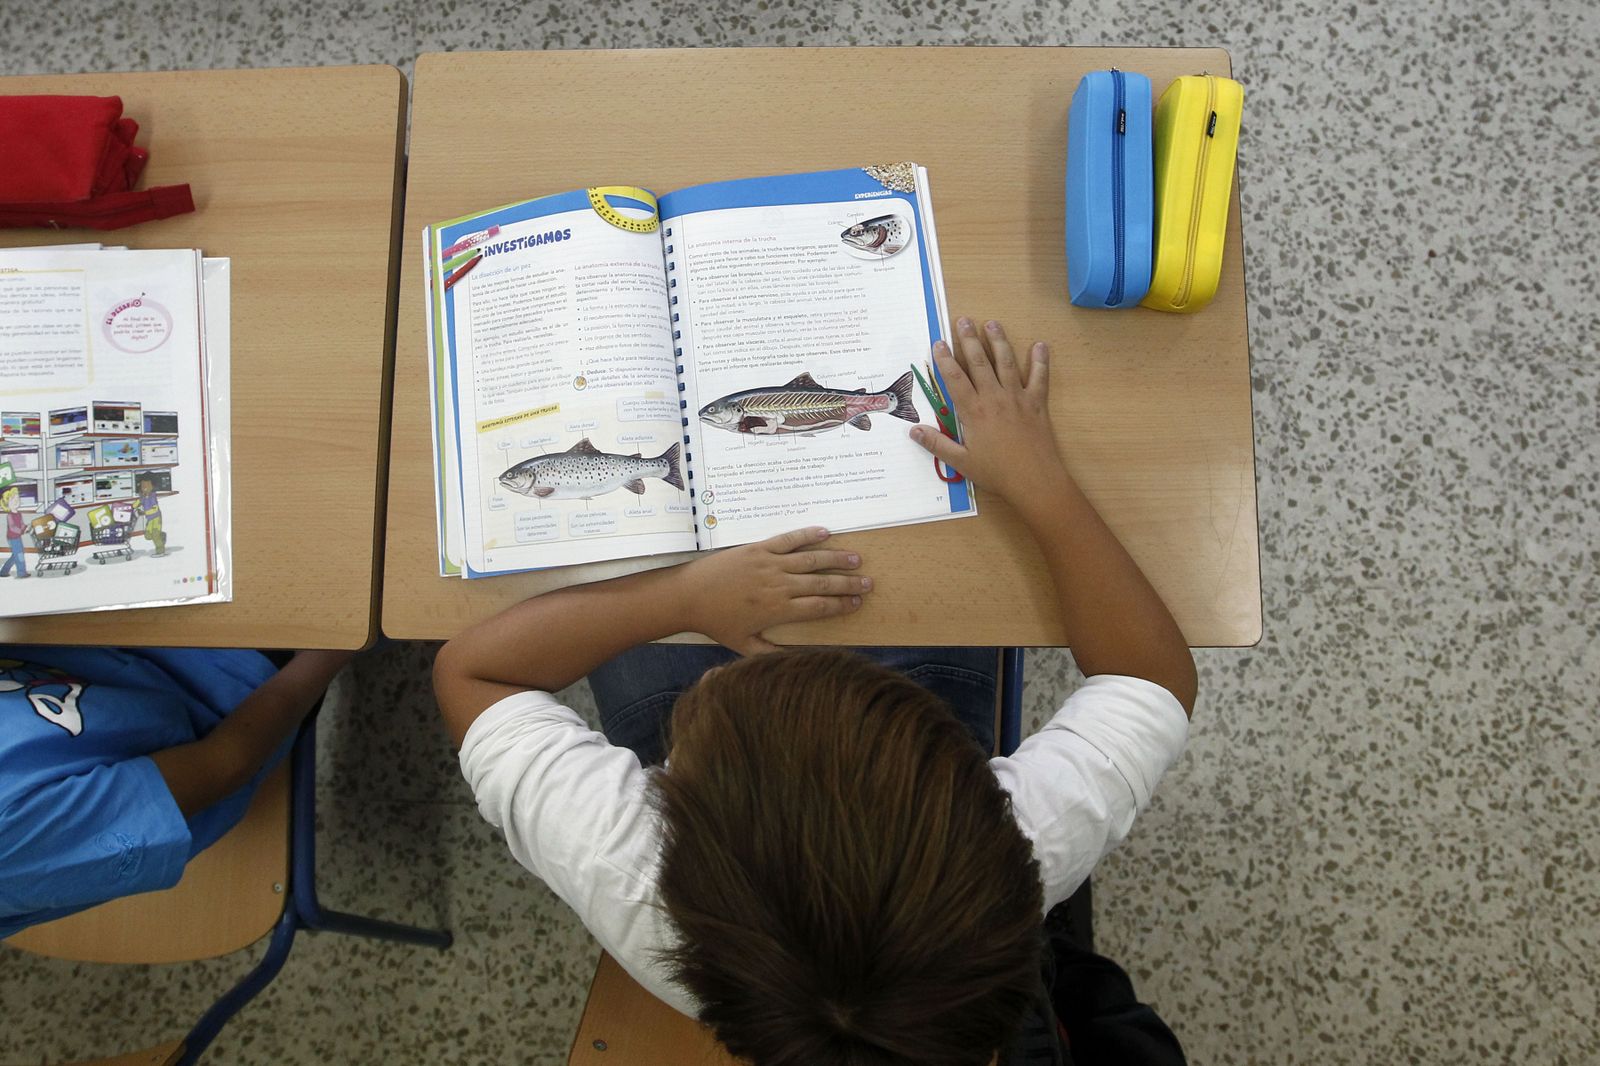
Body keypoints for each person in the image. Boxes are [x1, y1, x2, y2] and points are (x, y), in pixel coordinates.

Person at [433, 319, 1199, 1066]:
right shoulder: (998, 864)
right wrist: (1042, 485)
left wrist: (682, 600)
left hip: (710, 651)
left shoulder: (635, 880)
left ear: (664, 824)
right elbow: (1152, 676)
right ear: (980, 795)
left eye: (715, 702)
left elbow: (473, 672)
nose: (730, 672)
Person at [0, 646, 352, 938]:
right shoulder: (15, 845)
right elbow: (226, 762)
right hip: (224, 691)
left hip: (102, 631)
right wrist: (333, 648)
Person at [135, 475, 165, 556]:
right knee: (147, 536)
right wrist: (134, 505)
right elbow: (136, 504)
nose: (144, 488)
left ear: (151, 487)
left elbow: (155, 509)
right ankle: (161, 536)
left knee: (155, 536)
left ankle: (160, 551)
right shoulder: (143, 497)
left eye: (146, 486)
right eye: (143, 486)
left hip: (156, 518)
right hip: (150, 519)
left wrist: (144, 513)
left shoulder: (152, 496)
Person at [1, 487, 27, 579]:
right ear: (7, 504)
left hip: (17, 537)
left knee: (15, 555)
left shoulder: (19, 514)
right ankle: (21, 573)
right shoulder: (9, 515)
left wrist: (25, 527)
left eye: (17, 499)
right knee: (19, 555)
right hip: (12, 537)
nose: (16, 501)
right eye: (12, 500)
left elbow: (21, 524)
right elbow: (12, 527)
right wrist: (21, 531)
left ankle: (3, 571)